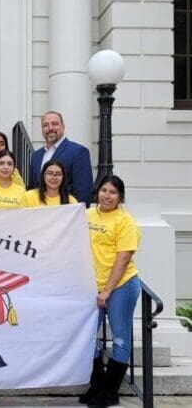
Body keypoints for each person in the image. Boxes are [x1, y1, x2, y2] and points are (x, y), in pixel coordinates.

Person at [81, 175, 141, 408]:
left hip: (121, 285)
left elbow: (123, 258)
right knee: (85, 338)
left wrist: (107, 291)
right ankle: (97, 386)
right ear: (97, 192)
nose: (107, 195)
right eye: (104, 190)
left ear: (120, 197)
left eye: (113, 192)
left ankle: (110, 391)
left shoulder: (125, 221)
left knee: (120, 339)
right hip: (92, 286)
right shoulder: (86, 215)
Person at [29, 111, 93, 206]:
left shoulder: (78, 151)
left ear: (63, 127)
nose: (50, 128)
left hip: (65, 215)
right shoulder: (36, 156)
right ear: (42, 129)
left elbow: (83, 192)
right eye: (45, 125)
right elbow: (32, 188)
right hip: (39, 215)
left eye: (54, 124)